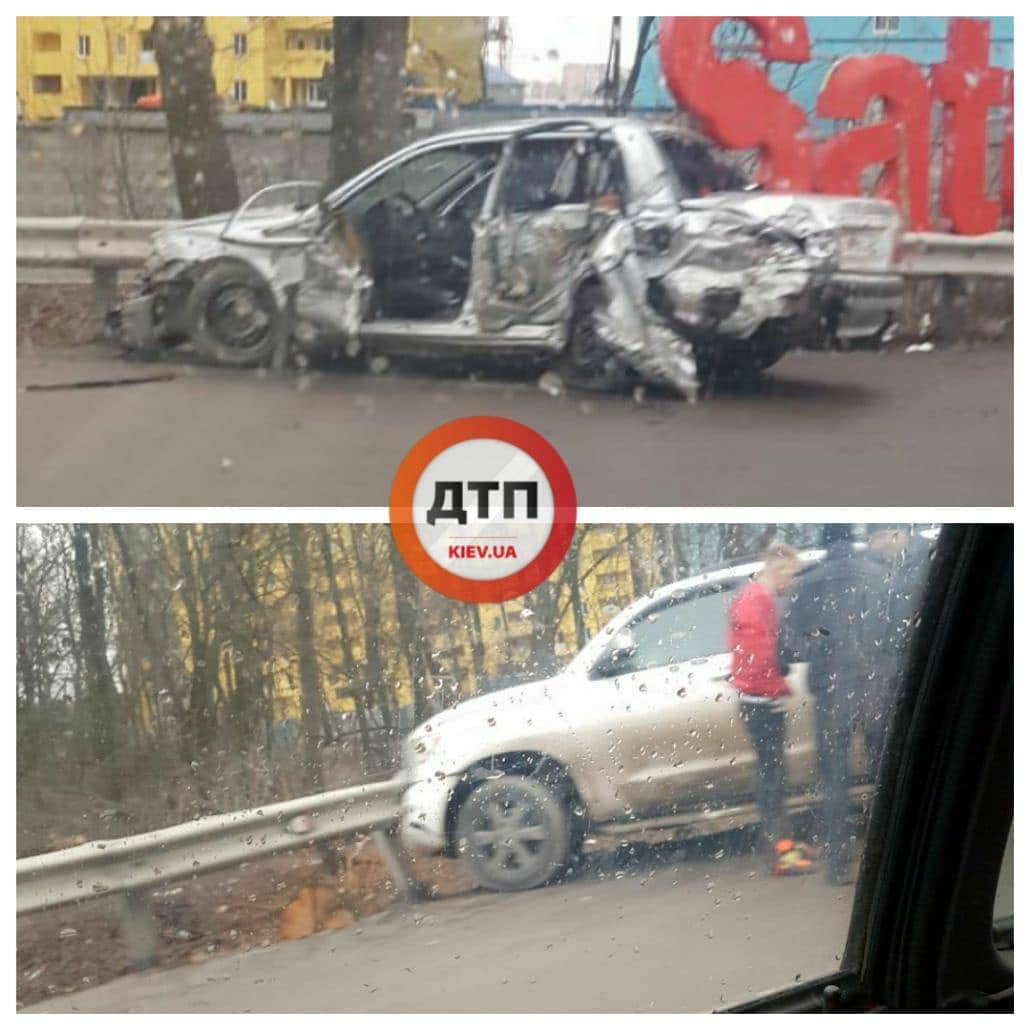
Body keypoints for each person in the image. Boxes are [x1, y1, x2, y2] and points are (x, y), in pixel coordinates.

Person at [782, 525, 872, 886]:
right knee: (885, 775)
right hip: (875, 688)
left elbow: (790, 643)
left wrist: (811, 654)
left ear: (823, 544)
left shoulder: (808, 584)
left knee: (833, 778)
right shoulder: (879, 575)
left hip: (832, 691)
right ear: (852, 540)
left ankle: (838, 864)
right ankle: (892, 854)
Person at [727, 541, 811, 875]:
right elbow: (759, 659)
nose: (791, 586)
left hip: (758, 701)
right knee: (773, 780)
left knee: (773, 777)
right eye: (790, 577)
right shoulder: (756, 601)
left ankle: (784, 845)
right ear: (777, 571)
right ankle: (781, 854)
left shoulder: (752, 598)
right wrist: (781, 684)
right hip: (761, 703)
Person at [861, 527, 933, 775]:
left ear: (896, 532)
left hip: (913, 671)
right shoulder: (878, 569)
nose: (874, 546)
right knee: (880, 742)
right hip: (883, 674)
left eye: (877, 538)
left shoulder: (929, 563)